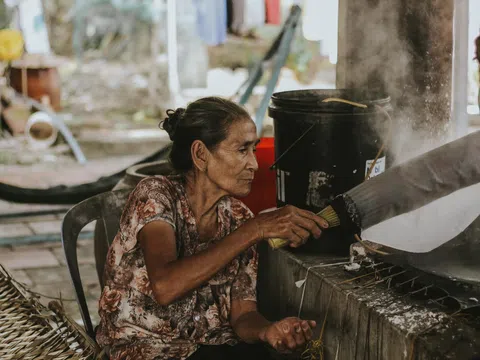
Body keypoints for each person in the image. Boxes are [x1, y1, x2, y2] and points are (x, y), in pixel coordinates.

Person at [96, 97, 329, 360]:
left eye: (254, 150)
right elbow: (165, 286)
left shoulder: (240, 217)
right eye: (242, 150)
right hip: (147, 347)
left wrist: (268, 331)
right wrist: (254, 230)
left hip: (211, 347)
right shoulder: (157, 195)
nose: (254, 163)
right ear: (200, 155)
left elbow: (243, 315)